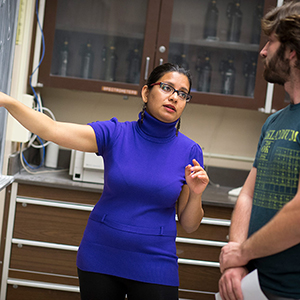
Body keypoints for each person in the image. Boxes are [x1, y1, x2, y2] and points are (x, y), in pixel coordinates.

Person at [0, 63, 209, 300]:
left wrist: (197, 193)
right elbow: (51, 130)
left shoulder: (189, 151)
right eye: (166, 87)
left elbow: (190, 225)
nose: (174, 97)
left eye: (182, 93)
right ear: (145, 92)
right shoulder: (115, 134)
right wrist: (8, 102)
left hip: (156, 263)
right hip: (100, 256)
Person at [218, 2, 300, 300]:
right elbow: (248, 194)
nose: (263, 51)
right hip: (253, 285)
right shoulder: (275, 122)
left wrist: (241, 254)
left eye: (271, 42)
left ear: (291, 51)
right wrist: (235, 264)